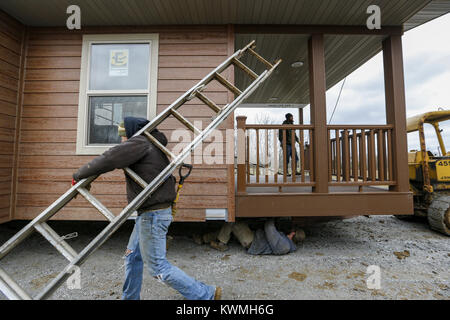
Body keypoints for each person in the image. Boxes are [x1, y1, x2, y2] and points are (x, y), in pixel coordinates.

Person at [72, 116, 220, 300]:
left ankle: (206, 295)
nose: (122, 140)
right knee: (133, 257)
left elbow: (110, 158)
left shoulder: (140, 143)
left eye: (123, 136)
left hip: (152, 215)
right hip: (149, 214)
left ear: (131, 132)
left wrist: (79, 174)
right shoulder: (152, 145)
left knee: (158, 267)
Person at [196, 219, 305, 255]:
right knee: (230, 230)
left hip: (251, 241)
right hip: (254, 239)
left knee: (233, 223)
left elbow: (269, 227)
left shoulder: (284, 246)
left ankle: (221, 244)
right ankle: (203, 239)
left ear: (293, 234)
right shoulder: (286, 244)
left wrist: (272, 215)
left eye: (292, 231)